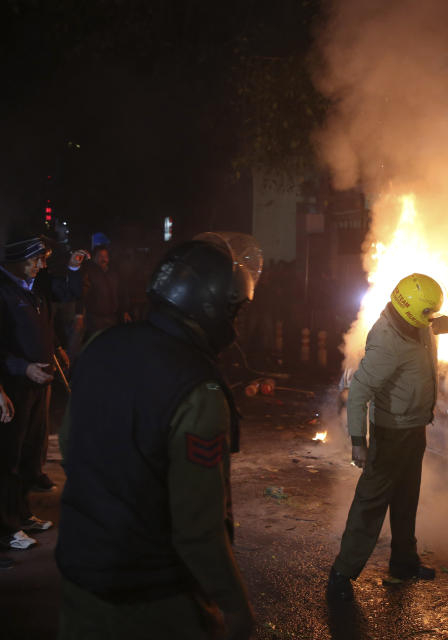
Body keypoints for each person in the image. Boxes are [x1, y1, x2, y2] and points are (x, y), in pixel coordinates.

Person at [56, 233, 261, 640]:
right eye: (232, 311)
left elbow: (69, 447)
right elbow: (197, 530)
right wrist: (236, 608)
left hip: (77, 582)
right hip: (151, 601)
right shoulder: (197, 389)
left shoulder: (101, 345)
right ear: (211, 310)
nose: (234, 322)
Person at [327, 273, 448, 602]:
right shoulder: (387, 341)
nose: (432, 318)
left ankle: (404, 563)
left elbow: (435, 324)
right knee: (370, 504)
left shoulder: (416, 323)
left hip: (414, 429)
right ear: (414, 311)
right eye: (428, 313)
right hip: (391, 435)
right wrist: (358, 439)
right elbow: (358, 390)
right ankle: (342, 573)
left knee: (406, 500)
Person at [0, 228, 85, 552]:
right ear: (20, 260)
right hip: (14, 389)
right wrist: (22, 368)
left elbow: (61, 302)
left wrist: (56, 347)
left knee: (28, 454)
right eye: (37, 260)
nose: (41, 265)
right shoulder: (4, 291)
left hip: (39, 385)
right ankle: (6, 528)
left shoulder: (33, 289)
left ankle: (21, 515)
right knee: (7, 458)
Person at [79, 244, 128, 344]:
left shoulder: (113, 273)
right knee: (96, 343)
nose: (104, 259)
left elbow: (121, 293)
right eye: (100, 256)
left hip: (112, 317)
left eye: (105, 256)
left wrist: (124, 311)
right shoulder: (89, 272)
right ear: (94, 258)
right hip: (95, 319)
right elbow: (82, 294)